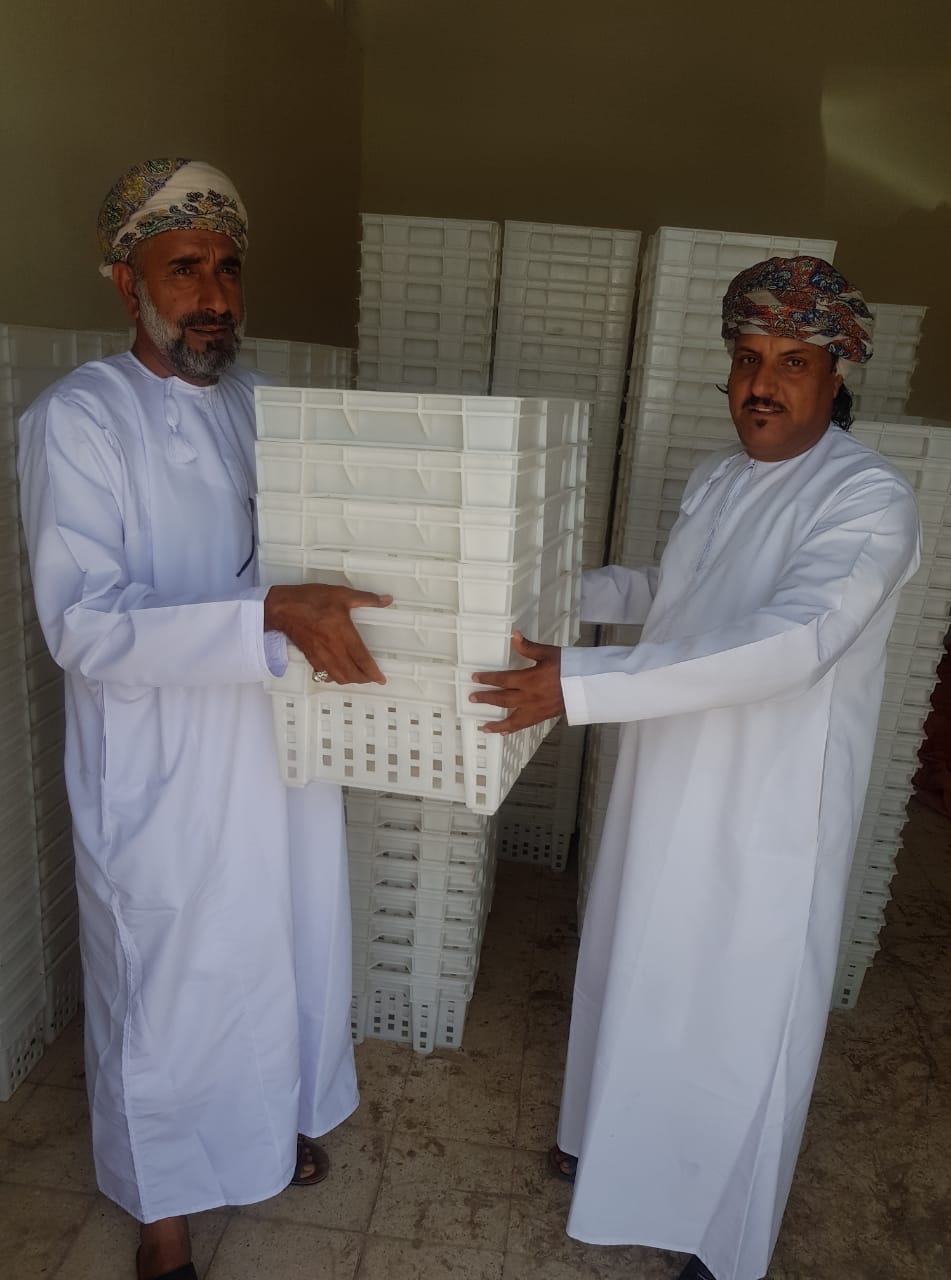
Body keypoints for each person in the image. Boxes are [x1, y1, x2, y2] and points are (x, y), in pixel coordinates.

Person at [470, 256, 922, 1280]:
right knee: (636, 965)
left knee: (735, 1020)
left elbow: (792, 641)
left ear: (838, 373)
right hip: (666, 772)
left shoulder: (868, 501)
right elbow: (676, 593)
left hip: (765, 809)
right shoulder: (721, 477)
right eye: (747, 358)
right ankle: (607, 1145)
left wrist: (578, 682)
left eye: (792, 361)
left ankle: (720, 1239)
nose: (761, 383)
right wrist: (553, 593)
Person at [17, 158, 392, 1280]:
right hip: (163, 763)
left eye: (227, 268)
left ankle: (268, 1126)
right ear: (125, 281)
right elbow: (83, 623)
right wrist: (266, 613)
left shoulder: (259, 403)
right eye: (184, 268)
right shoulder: (78, 418)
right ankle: (164, 1217)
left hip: (276, 738)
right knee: (169, 981)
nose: (213, 295)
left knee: (278, 946)